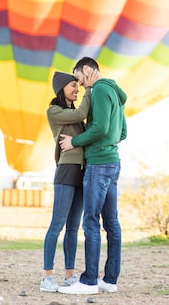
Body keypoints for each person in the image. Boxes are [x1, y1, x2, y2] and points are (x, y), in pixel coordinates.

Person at [57, 57, 127, 296]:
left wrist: (74, 141)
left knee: (91, 221)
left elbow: (100, 129)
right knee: (112, 223)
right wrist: (108, 144)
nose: (78, 84)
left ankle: (88, 281)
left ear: (87, 71)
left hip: (98, 165)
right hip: (113, 162)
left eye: (78, 77)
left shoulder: (97, 91)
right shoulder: (116, 93)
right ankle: (109, 280)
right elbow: (122, 132)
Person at [40, 69, 98, 292]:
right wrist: (90, 88)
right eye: (73, 85)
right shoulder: (54, 111)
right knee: (57, 224)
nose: (77, 88)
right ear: (61, 88)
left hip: (82, 171)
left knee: (73, 228)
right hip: (66, 170)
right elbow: (80, 113)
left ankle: (69, 276)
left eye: (78, 85)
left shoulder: (74, 114)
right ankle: (47, 277)